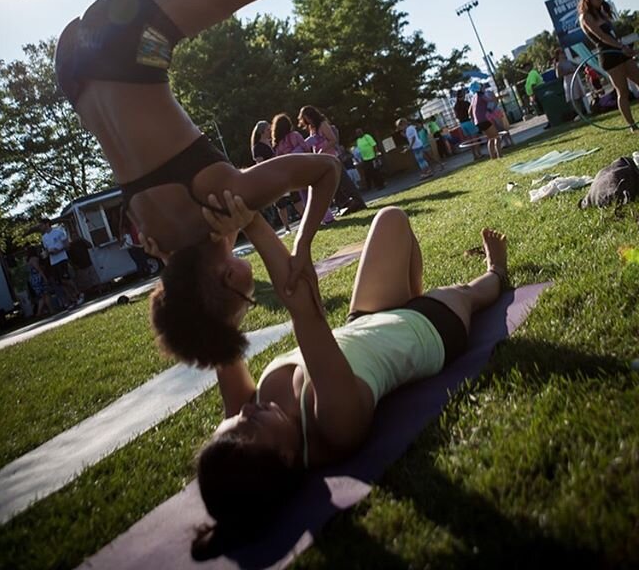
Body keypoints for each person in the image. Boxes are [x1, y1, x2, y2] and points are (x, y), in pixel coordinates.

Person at [55, 0, 562, 355]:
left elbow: (326, 171)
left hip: (125, 48)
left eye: (247, 299)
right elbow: (181, 260)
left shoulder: (219, 202)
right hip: (76, 74)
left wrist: (301, 242)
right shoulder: (162, 243)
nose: (256, 290)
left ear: (229, 280)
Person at [150, 193, 508, 554]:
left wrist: (178, 265)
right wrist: (253, 223)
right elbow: (302, 302)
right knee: (472, 292)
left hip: (366, 321)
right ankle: (496, 270)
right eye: (250, 423)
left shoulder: (249, 422)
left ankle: (411, 292)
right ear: (286, 457)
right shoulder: (335, 427)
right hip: (426, 327)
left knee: (391, 218)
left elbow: (217, 330)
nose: (244, 410)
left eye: (231, 422)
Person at [578, 0, 639, 131]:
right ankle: (632, 125)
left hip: (620, 51)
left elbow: (612, 34)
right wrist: (621, 48)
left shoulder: (601, 12)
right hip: (608, 55)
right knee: (622, 91)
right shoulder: (585, 17)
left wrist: (625, 48)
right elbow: (601, 36)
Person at [298, 106, 366, 216]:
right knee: (333, 184)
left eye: (308, 118)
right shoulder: (311, 128)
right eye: (305, 119)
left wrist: (322, 149)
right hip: (322, 159)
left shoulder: (322, 124)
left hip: (332, 156)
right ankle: (345, 204)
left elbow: (333, 140)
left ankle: (358, 201)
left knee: (344, 181)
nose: (308, 121)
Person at [251, 119, 303, 234]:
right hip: (272, 176)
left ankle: (305, 218)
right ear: (262, 132)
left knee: (295, 196)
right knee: (281, 203)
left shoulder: (272, 143)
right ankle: (287, 228)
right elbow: (260, 164)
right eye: (268, 130)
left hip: (283, 173)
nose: (270, 131)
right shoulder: (258, 147)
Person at [39, 219, 84, 306]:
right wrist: (47, 253)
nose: (40, 227)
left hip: (62, 258)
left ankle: (79, 293)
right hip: (53, 262)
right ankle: (72, 299)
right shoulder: (44, 237)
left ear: (47, 224)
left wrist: (58, 250)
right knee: (60, 282)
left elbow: (67, 245)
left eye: (41, 225)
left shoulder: (58, 232)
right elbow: (46, 249)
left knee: (66, 279)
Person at [553, 48, 590, 119]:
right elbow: (558, 75)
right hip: (568, 81)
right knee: (574, 98)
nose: (563, 54)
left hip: (576, 79)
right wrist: (568, 72)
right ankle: (579, 113)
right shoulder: (559, 64)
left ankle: (584, 110)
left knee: (579, 96)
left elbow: (577, 66)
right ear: (558, 55)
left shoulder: (568, 60)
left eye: (563, 53)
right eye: (561, 53)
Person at [469, 82, 502, 159]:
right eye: (481, 87)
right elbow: (491, 100)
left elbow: (470, 111)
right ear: (479, 88)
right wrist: (497, 97)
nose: (483, 88)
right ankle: (499, 155)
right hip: (483, 120)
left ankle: (493, 157)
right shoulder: (481, 95)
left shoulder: (473, 97)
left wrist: (473, 120)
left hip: (478, 122)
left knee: (491, 138)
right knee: (497, 137)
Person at [453, 89, 483, 161]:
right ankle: (479, 154)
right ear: (463, 95)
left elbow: (456, 116)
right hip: (468, 121)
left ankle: (475, 155)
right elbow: (472, 111)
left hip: (462, 124)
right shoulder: (466, 103)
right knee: (475, 139)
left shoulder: (456, 106)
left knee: (470, 141)